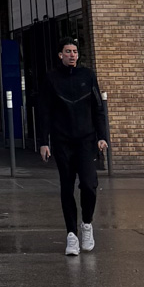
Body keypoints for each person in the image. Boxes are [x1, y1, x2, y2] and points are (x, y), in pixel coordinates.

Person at [38, 39, 108, 255]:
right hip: (62, 141)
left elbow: (98, 108)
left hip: (86, 140)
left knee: (89, 185)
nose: (72, 55)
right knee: (66, 187)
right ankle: (71, 235)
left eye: (75, 52)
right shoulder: (51, 79)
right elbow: (44, 112)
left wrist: (102, 136)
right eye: (67, 51)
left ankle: (86, 224)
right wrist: (43, 141)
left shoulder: (87, 76)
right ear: (60, 55)